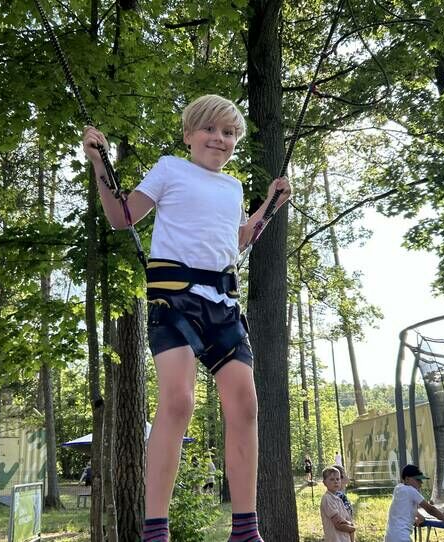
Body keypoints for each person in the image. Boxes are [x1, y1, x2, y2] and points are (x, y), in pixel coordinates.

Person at [83, 94, 291, 542]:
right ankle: (155, 529)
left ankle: (245, 530)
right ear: (188, 136)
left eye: (229, 133)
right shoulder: (170, 169)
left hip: (223, 306)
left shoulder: (232, 187)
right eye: (210, 129)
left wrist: (270, 205)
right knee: (178, 401)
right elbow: (122, 216)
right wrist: (100, 164)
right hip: (173, 301)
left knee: (246, 405)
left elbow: (237, 240)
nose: (220, 139)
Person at [384, 465, 444, 542]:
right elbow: (430, 509)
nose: (421, 483)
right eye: (418, 480)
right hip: (401, 538)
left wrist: (420, 517)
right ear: (407, 479)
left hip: (389, 537)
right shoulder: (411, 490)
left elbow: (403, 508)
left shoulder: (398, 488)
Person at [321, 466, 356, 542]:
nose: (336, 482)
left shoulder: (339, 499)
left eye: (338, 479)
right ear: (324, 483)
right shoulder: (327, 499)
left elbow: (346, 519)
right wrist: (352, 528)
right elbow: (338, 524)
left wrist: (348, 524)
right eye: (332, 479)